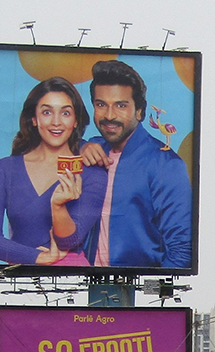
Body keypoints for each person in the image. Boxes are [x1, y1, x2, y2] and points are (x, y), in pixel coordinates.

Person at [0, 77, 107, 265]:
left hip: (73, 278)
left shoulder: (92, 172)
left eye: (65, 113)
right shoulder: (6, 169)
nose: (56, 122)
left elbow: (71, 240)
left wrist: (58, 206)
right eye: (47, 112)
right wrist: (37, 257)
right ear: (34, 119)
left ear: (75, 121)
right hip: (22, 278)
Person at [79, 60, 192, 268]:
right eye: (101, 104)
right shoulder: (92, 149)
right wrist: (81, 146)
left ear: (139, 111)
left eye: (121, 105)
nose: (109, 115)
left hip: (137, 290)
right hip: (83, 284)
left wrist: (150, 291)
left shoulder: (165, 164)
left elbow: (181, 252)